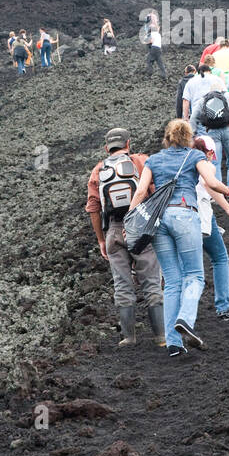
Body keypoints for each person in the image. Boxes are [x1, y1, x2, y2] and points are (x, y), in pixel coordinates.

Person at [128, 119, 229, 357]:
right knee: (195, 275)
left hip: (159, 222)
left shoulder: (154, 159)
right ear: (189, 138)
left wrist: (130, 221)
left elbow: (140, 191)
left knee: (171, 282)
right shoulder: (194, 157)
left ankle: (174, 343)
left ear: (167, 138)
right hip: (185, 214)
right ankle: (185, 319)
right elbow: (210, 182)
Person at [85, 128, 165, 347]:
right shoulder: (141, 161)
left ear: (106, 148)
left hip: (113, 229)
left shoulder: (98, 170)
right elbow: (155, 189)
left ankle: (128, 337)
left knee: (122, 284)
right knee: (151, 281)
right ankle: (160, 337)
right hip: (140, 227)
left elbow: (93, 207)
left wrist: (101, 239)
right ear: (128, 143)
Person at [193, 135, 229, 320]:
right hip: (202, 219)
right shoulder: (206, 165)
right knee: (220, 258)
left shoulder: (181, 162)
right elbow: (208, 185)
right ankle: (223, 307)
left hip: (178, 219)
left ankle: (183, 312)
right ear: (210, 152)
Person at [190, 82, 229, 183]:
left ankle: (219, 195)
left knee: (215, 163)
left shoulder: (203, 100)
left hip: (212, 133)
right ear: (222, 89)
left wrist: (193, 135)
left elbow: (194, 118)